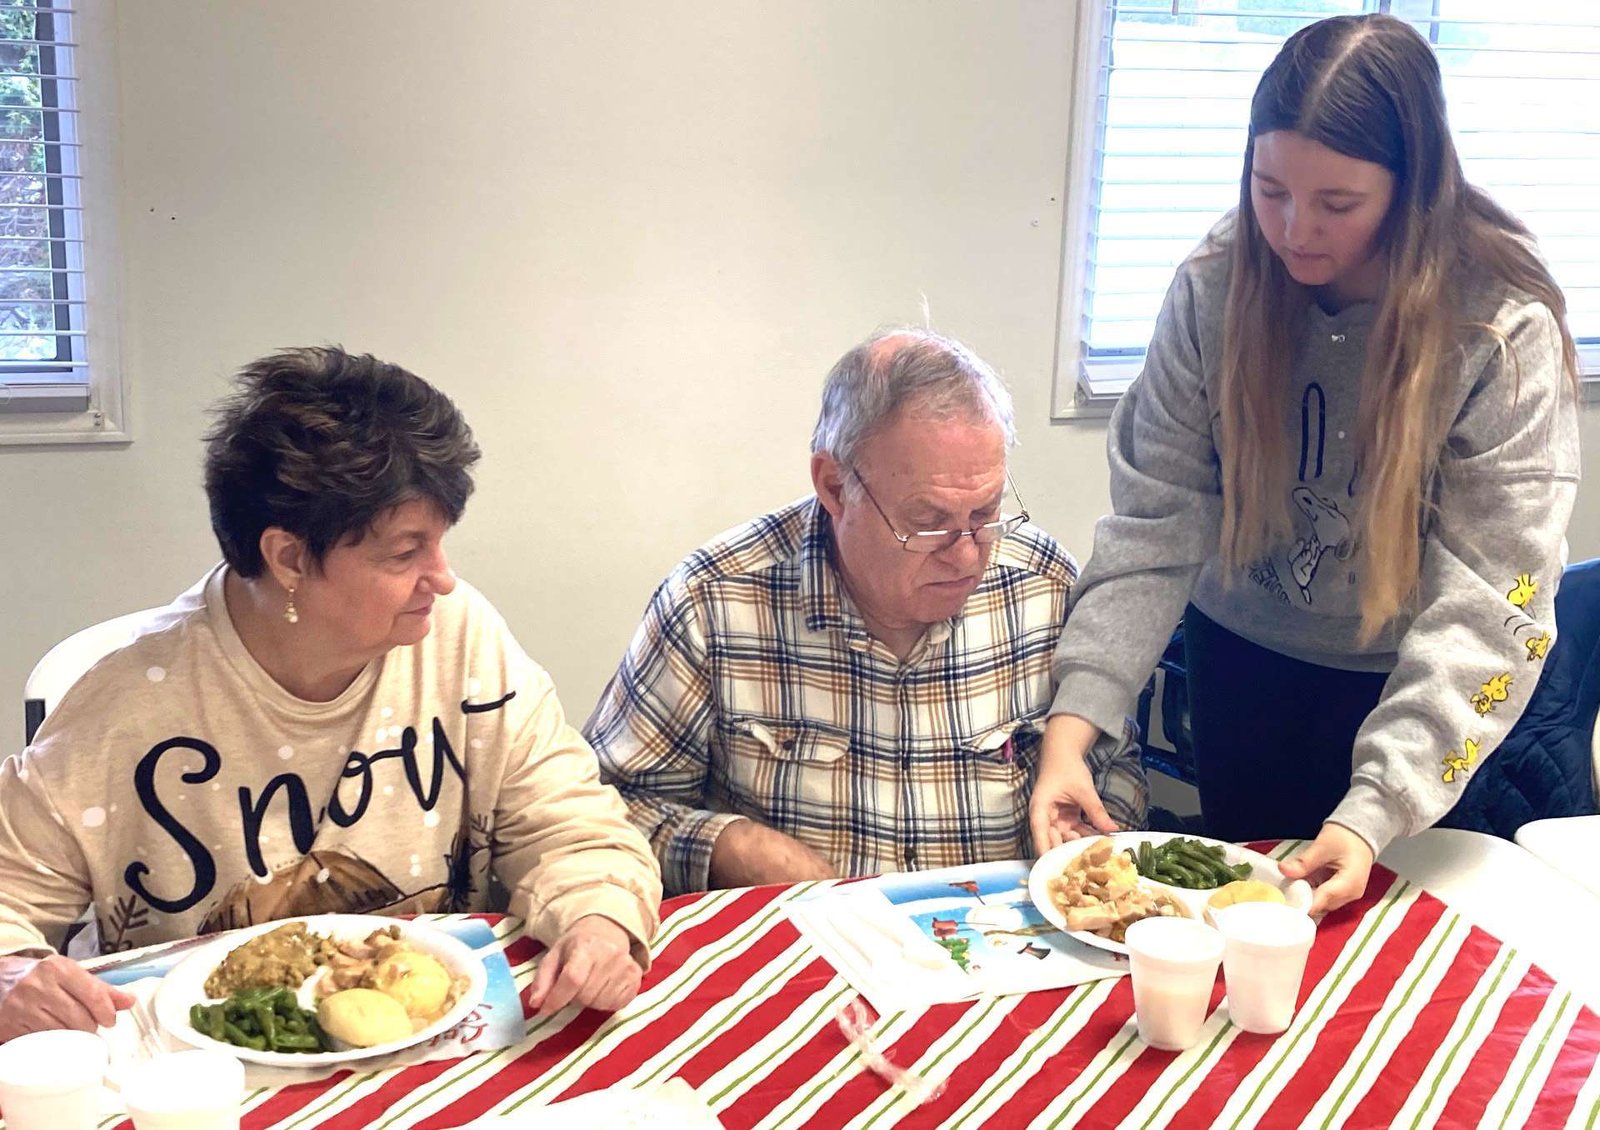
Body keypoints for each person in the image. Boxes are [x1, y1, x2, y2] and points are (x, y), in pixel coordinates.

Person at [1030, 14, 1582, 916]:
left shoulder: (1497, 324)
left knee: (1386, 945)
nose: (1294, 229)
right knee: (1244, 928)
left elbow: (1492, 600)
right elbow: (1153, 522)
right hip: (1243, 666)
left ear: (1413, 189)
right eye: (1270, 189)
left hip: (1418, 682)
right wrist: (1074, 726)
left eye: (1338, 203)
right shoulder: (1215, 287)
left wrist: (1377, 808)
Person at [0, 348, 663, 1042]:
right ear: (288, 557)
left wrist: (599, 919)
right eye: (405, 553)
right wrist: (13, 975)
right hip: (208, 1066)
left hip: (429, 1044)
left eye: (440, 543)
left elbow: (570, 825)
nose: (442, 578)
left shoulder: (460, 638)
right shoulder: (128, 705)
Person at [586, 329, 1146, 897]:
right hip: (805, 934)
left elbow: (1115, 770)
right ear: (834, 486)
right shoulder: (714, 600)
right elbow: (604, 808)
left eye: (985, 512)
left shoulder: (1042, 586)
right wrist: (734, 847)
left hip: (1003, 931)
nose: (967, 555)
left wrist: (1092, 844)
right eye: (927, 522)